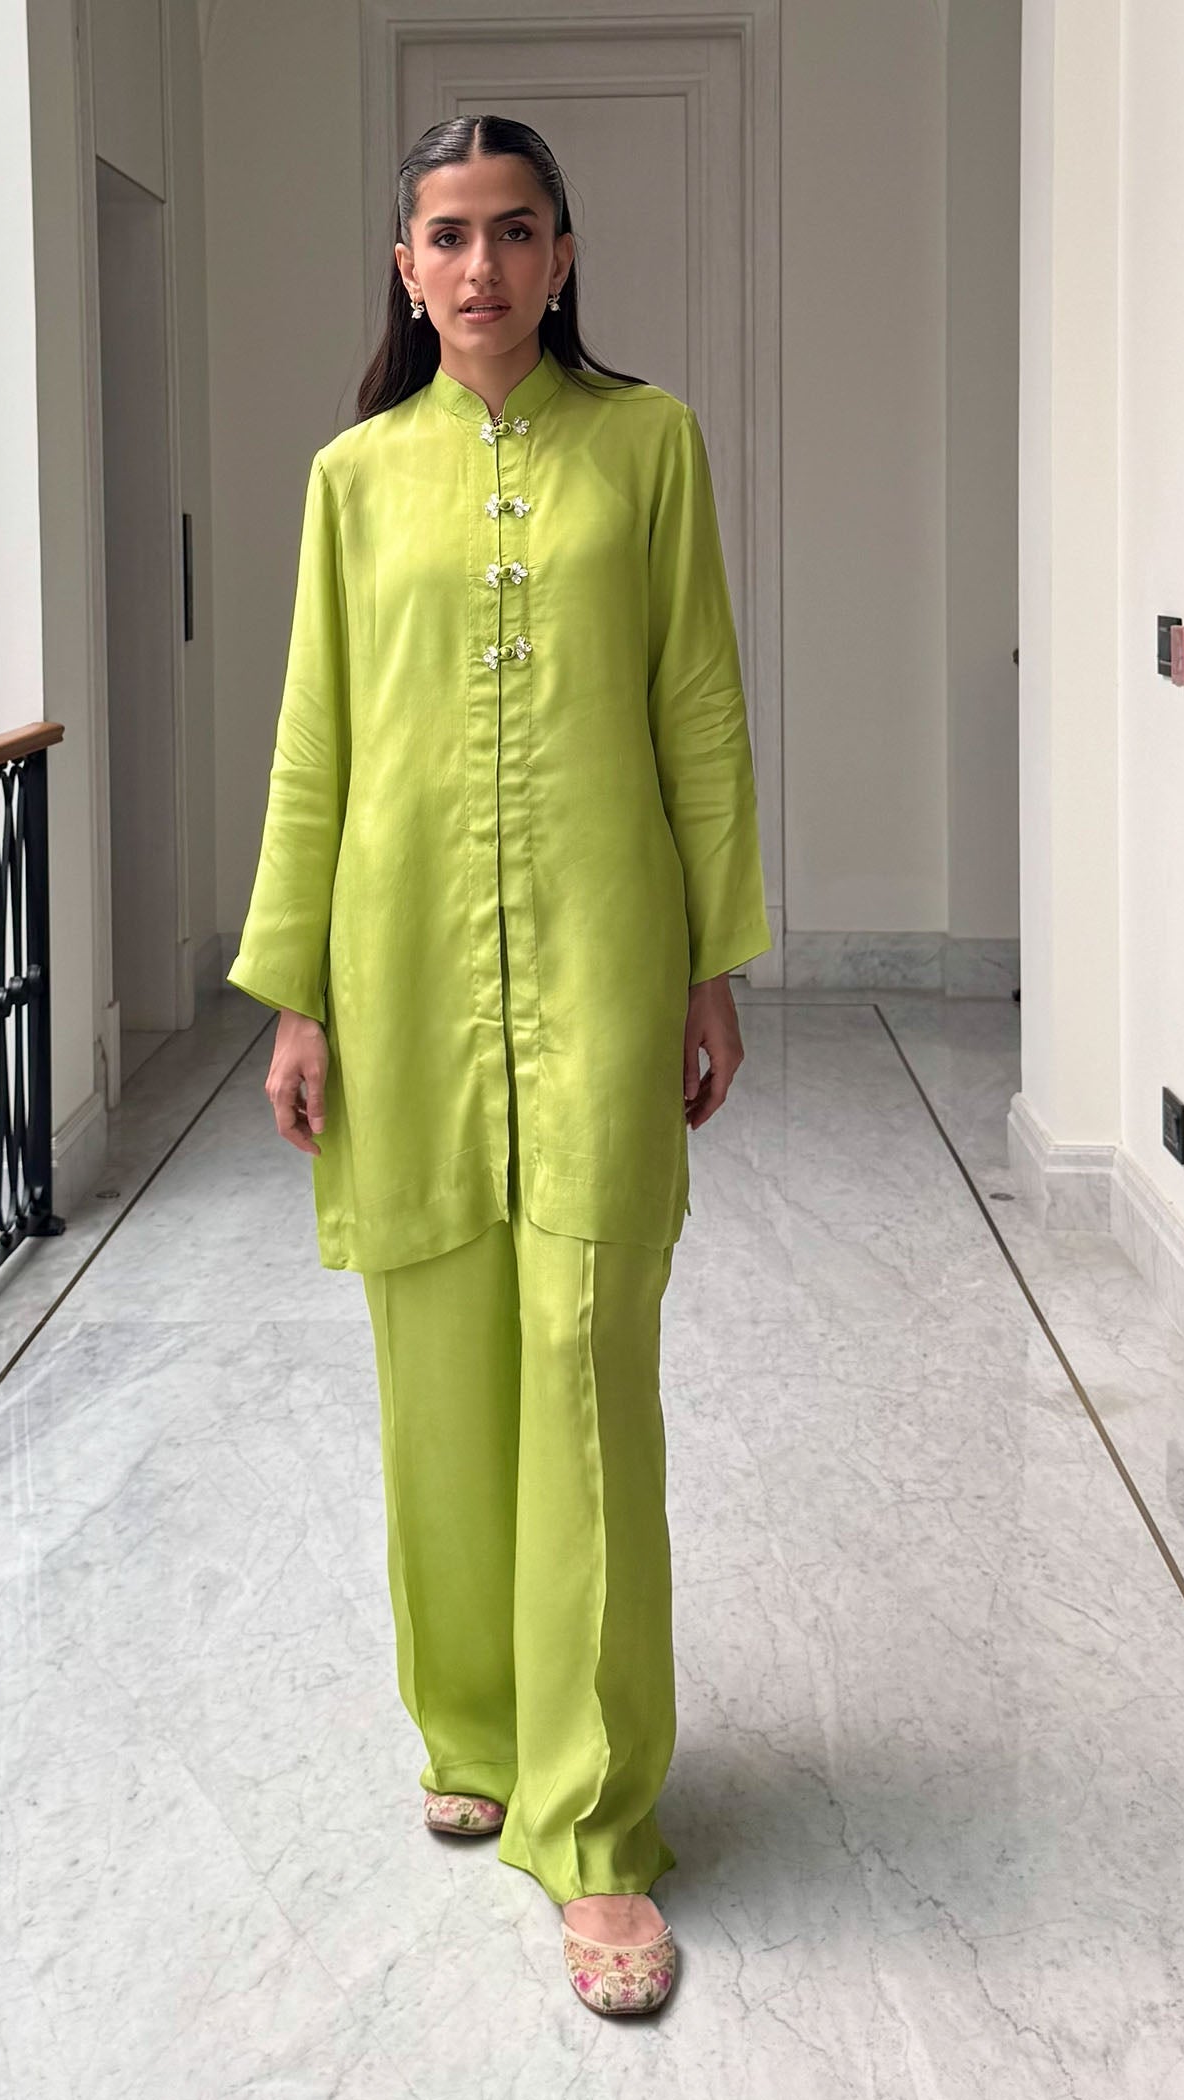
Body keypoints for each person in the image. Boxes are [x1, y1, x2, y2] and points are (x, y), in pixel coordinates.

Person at [228, 113, 770, 2018]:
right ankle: (468, 1722)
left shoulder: (652, 445)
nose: (481, 266)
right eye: (448, 235)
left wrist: (711, 963)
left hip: (608, 970)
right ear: (405, 267)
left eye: (515, 231)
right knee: (437, 1372)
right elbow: (316, 735)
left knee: (586, 1377)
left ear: (563, 253)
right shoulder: (352, 478)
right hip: (401, 978)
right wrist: (299, 995)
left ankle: (597, 1826)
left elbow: (697, 701)